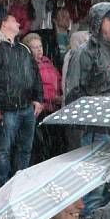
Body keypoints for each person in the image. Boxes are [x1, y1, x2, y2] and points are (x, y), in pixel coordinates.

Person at [65, 3, 110, 214]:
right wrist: (100, 107)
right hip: (95, 131)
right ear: (98, 22)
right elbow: (74, 94)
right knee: (94, 192)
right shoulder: (83, 53)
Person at [0, 12, 43, 190]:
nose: (18, 22)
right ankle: (1, 186)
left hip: (26, 108)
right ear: (4, 24)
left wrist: (38, 99)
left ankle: (19, 184)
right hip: (7, 109)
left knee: (25, 149)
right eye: (14, 20)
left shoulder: (23, 49)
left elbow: (35, 74)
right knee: (4, 150)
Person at [23, 32, 65, 163]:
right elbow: (34, 88)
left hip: (54, 109)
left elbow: (58, 79)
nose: (39, 50)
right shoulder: (27, 65)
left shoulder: (48, 62)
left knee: (55, 144)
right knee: (40, 146)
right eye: (35, 47)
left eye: (40, 46)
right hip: (40, 110)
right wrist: (52, 97)